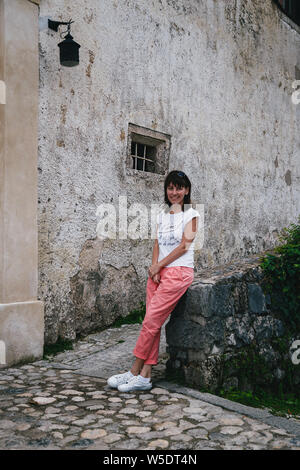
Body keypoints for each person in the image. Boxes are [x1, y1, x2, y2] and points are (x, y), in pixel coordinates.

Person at [107, 170, 200, 392]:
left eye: (179, 188)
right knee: (153, 323)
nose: (174, 192)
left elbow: (184, 246)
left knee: (150, 322)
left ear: (186, 190)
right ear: (166, 190)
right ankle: (145, 376)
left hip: (179, 272)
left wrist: (161, 265)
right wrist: (154, 266)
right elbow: (157, 243)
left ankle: (133, 370)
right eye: (170, 187)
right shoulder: (163, 215)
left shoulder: (192, 214)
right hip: (159, 273)